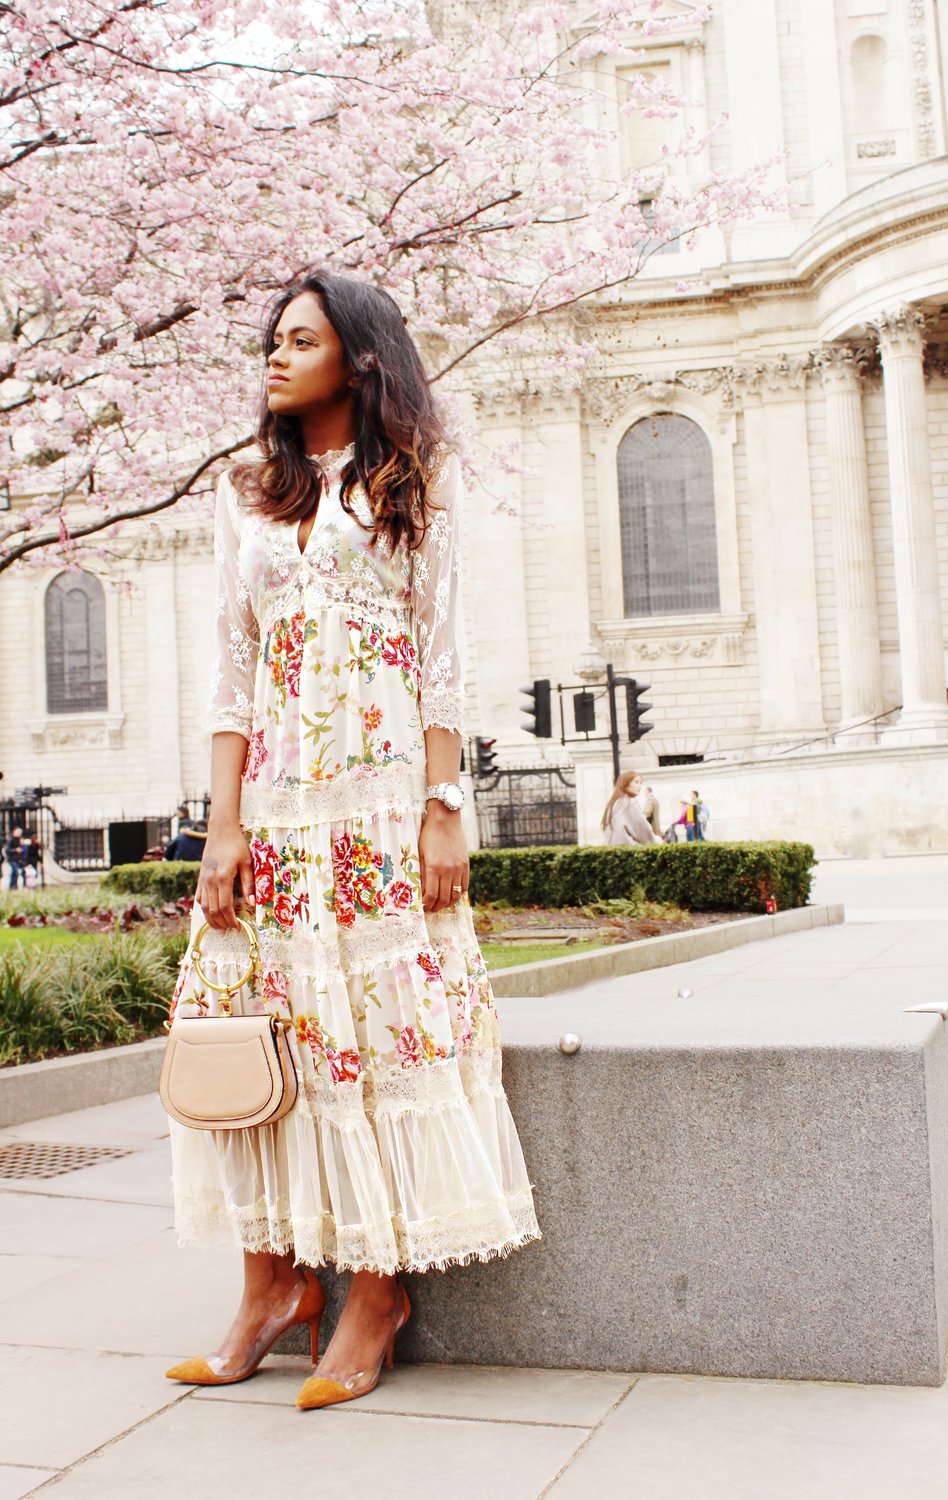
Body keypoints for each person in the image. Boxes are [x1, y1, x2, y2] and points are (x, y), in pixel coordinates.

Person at [164, 272, 539, 1409]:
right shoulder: (247, 495)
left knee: (376, 1040)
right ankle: (270, 1285)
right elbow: (233, 676)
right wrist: (220, 825)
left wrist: (443, 808)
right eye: (270, 340)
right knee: (263, 1042)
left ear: (358, 358)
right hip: (273, 813)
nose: (274, 358)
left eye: (299, 340)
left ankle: (375, 1290)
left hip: (378, 808)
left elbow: (442, 658)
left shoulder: (409, 487)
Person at [600, 772, 660, 845]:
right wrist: (656, 841)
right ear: (626, 784)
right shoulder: (629, 802)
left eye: (640, 783)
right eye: (636, 782)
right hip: (629, 850)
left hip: (613, 850)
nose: (639, 786)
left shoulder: (613, 802)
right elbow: (642, 830)